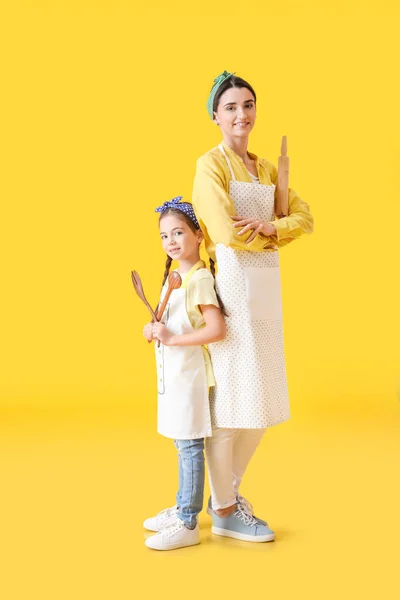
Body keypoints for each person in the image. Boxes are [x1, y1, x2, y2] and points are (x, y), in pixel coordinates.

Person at [191, 71, 314, 543]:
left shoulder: (266, 169)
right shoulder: (210, 166)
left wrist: (269, 229)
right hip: (233, 291)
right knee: (231, 404)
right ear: (215, 116)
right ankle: (223, 506)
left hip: (266, 293)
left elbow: (304, 216)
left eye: (248, 105)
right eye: (230, 108)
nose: (241, 115)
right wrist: (273, 231)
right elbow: (224, 232)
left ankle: (227, 494)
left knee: (262, 398)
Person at [142, 197, 226, 551]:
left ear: (197, 234)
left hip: (190, 377)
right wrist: (153, 328)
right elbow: (169, 323)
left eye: (178, 232)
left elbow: (216, 329)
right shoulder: (175, 277)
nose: (171, 241)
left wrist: (173, 339)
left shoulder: (200, 277)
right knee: (182, 443)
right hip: (173, 378)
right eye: (164, 236)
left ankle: (188, 521)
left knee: (190, 446)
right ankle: (181, 505)